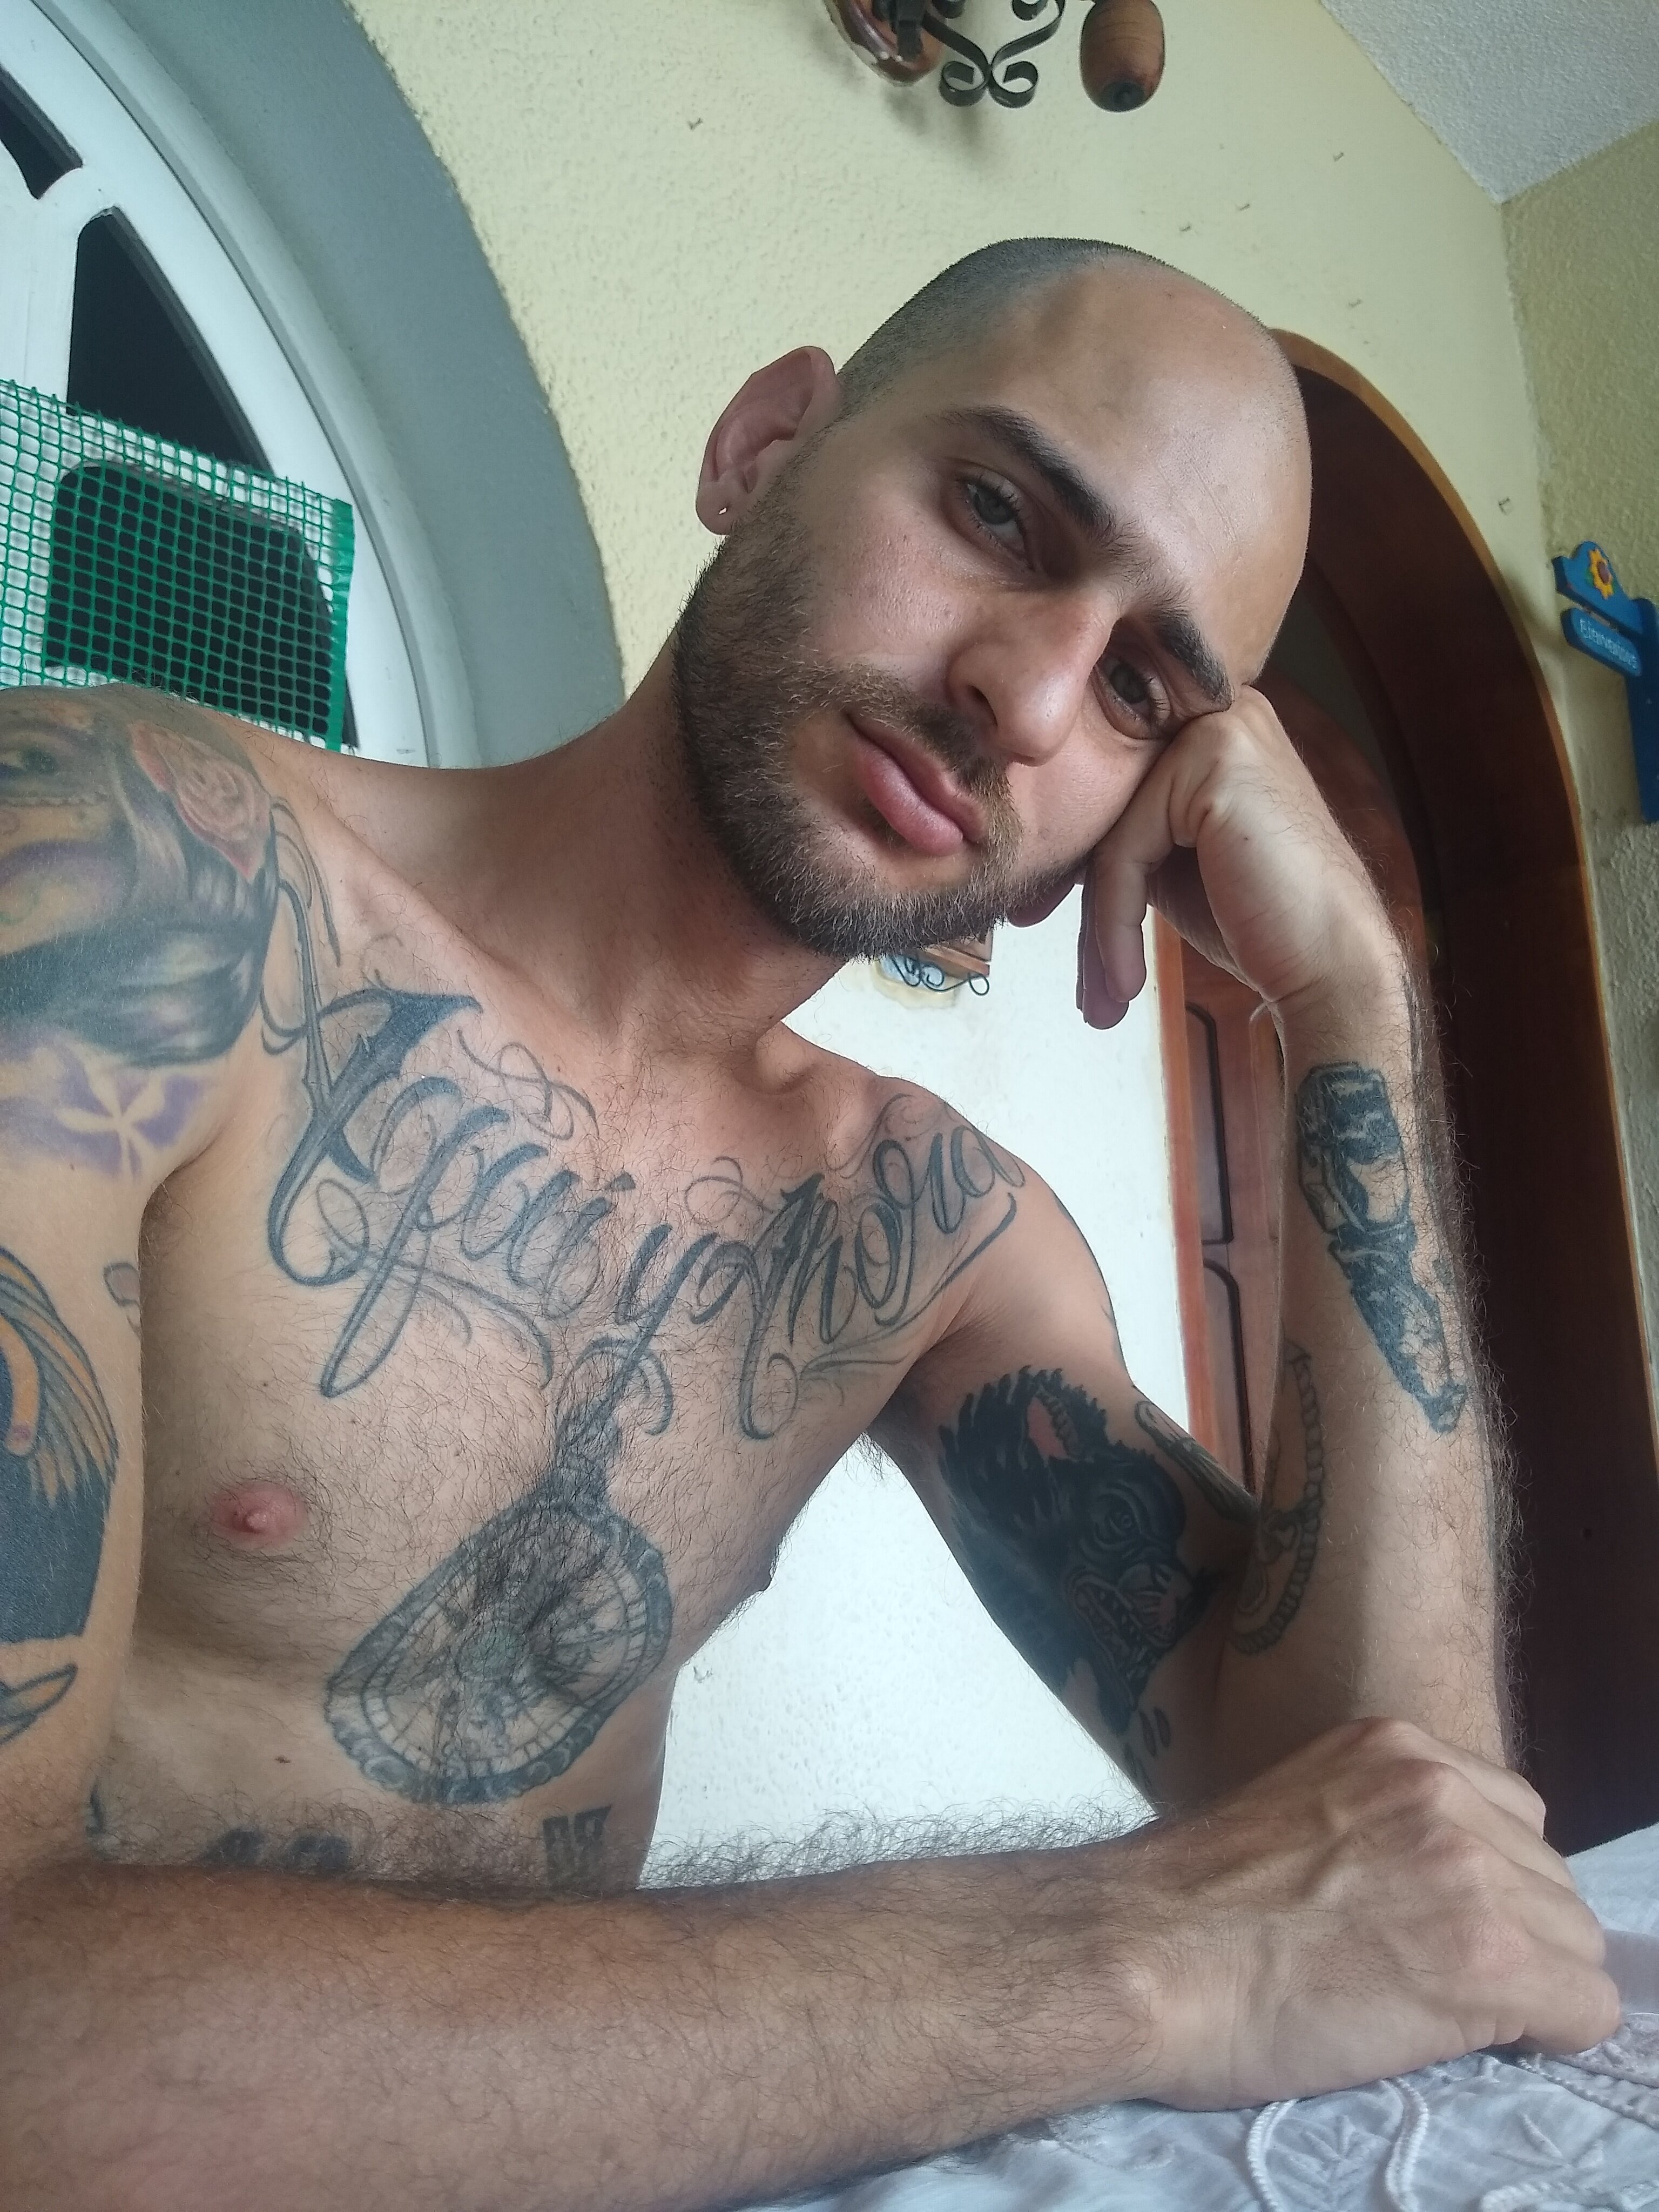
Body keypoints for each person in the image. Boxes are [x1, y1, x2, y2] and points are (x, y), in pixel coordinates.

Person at [0, 238, 1616, 2210]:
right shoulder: (126, 887)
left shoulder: (920, 1240)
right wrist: (1145, 1953)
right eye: (997, 512)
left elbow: (1403, 1860)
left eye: (1140, 688)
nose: (1026, 698)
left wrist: (1351, 1002)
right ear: (766, 444)